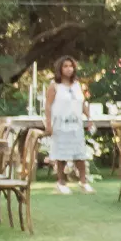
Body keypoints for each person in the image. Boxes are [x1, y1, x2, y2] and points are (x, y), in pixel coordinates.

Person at [42, 56, 93, 194]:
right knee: (61, 154)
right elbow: (48, 105)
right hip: (60, 123)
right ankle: (61, 182)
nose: (69, 69)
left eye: (71, 66)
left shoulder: (77, 84)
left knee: (80, 154)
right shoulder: (54, 86)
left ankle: (83, 182)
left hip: (76, 124)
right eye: (65, 66)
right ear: (60, 68)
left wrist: (88, 117)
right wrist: (48, 124)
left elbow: (81, 102)